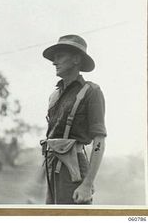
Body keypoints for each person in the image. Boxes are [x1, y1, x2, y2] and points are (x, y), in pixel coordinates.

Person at [41, 34, 106, 204]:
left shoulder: (91, 92)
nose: (54, 62)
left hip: (74, 170)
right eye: (54, 58)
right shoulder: (55, 95)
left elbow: (99, 139)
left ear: (76, 59)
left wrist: (87, 183)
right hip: (51, 168)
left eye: (60, 56)